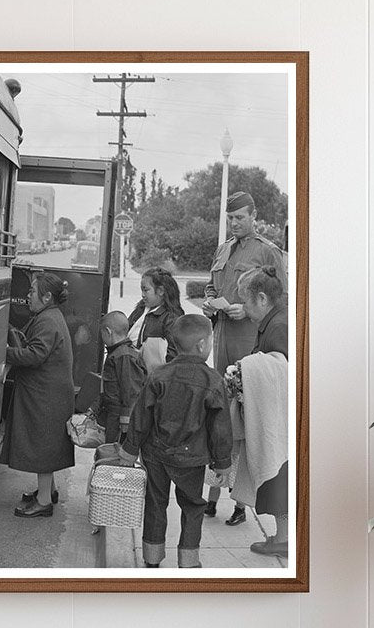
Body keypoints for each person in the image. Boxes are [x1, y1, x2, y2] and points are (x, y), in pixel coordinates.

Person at [118, 314, 234, 569]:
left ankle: (152, 558)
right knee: (192, 506)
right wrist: (222, 463)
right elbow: (221, 428)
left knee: (155, 503)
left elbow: (141, 416)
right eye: (210, 341)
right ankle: (189, 561)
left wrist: (129, 450)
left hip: (155, 453)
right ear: (202, 345)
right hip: (191, 459)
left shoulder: (159, 375)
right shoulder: (213, 380)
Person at [201, 191, 287, 525]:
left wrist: (244, 309)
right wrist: (210, 302)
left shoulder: (267, 251)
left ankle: (241, 504)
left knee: (245, 422)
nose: (234, 223)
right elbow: (211, 286)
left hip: (250, 345)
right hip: (222, 343)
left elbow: (281, 298)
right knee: (219, 418)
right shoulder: (223, 249)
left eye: (240, 217)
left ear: (253, 216)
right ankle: (211, 497)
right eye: (230, 218)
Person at [0, 272, 75, 518]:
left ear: (47, 296)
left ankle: (43, 502)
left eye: (32, 291)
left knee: (42, 447)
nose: (28, 295)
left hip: (45, 396)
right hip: (49, 393)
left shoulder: (47, 321)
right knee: (47, 445)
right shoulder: (50, 316)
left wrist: (4, 352)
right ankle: (48, 491)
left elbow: (35, 355)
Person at [236, 264, 290, 558]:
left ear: (261, 298)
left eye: (245, 301)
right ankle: (283, 535)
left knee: (280, 475)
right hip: (280, 417)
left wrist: (244, 371)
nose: (244, 308)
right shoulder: (276, 320)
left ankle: (284, 539)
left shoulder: (278, 326)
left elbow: (280, 373)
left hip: (279, 420)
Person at [94, 310, 147, 444]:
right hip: (112, 413)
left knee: (114, 450)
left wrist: (126, 419)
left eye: (102, 334)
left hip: (119, 417)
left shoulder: (124, 356)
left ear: (108, 332)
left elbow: (131, 390)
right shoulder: (118, 353)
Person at [127, 267, 184, 367]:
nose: (142, 295)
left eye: (146, 290)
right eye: (142, 290)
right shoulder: (141, 308)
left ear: (161, 291)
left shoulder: (171, 318)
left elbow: (173, 353)